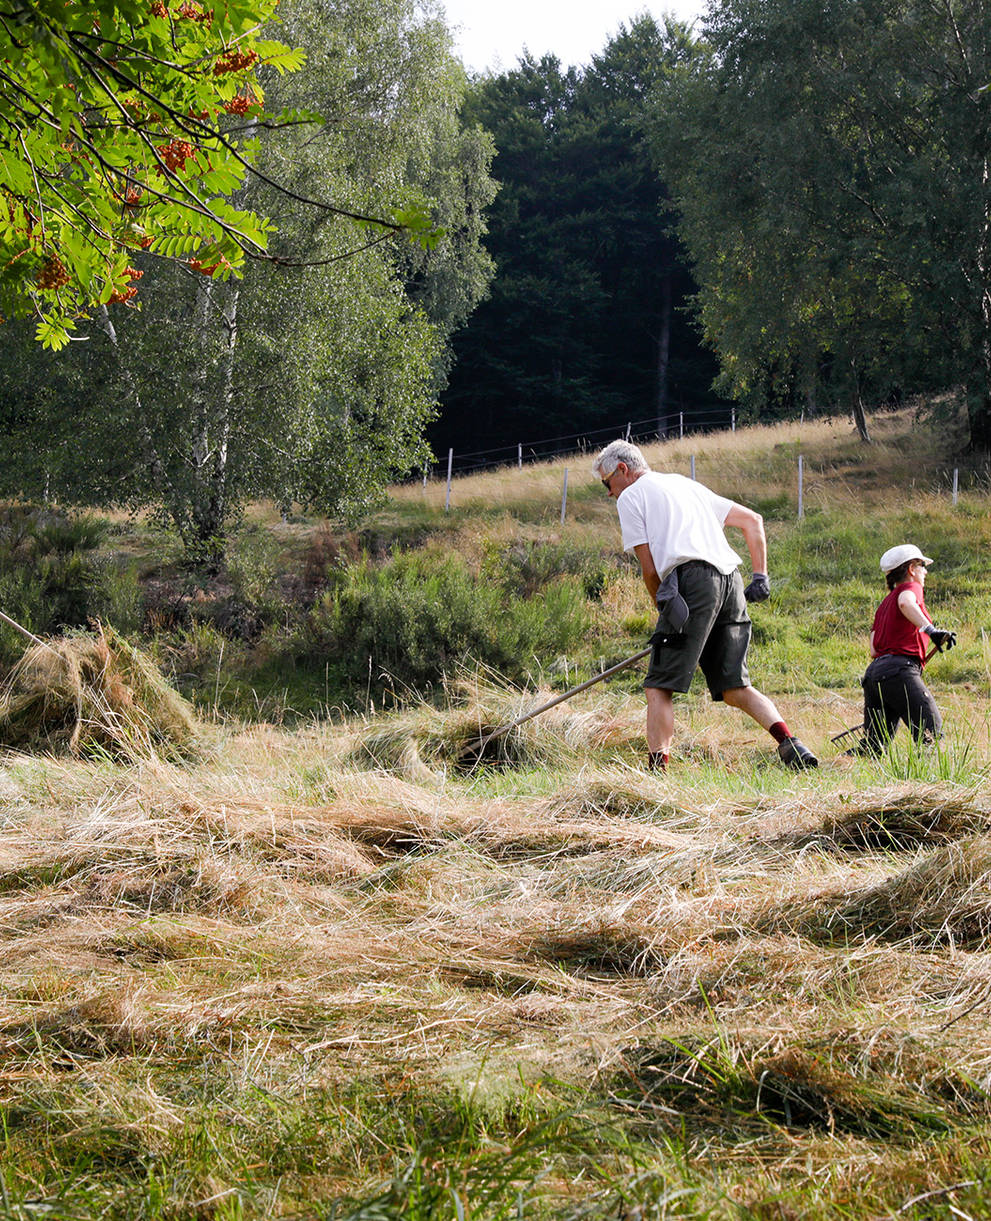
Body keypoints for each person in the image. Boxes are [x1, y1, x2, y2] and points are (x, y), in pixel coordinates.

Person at [592, 439, 817, 771]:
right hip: (731, 580)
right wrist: (761, 577)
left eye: (606, 483)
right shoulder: (686, 484)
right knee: (734, 687)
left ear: (622, 470)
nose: (609, 492)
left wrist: (664, 612)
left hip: (692, 581)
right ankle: (791, 744)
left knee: (658, 686)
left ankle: (656, 775)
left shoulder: (631, 497)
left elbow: (650, 570)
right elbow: (753, 520)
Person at [857, 544, 956, 754]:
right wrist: (931, 631)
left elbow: (874, 649)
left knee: (874, 746)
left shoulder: (884, 603)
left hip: (874, 675)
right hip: (898, 671)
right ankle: (928, 782)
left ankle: (841, 769)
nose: (925, 571)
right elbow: (906, 603)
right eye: (922, 566)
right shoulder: (910, 589)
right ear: (911, 569)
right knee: (931, 733)